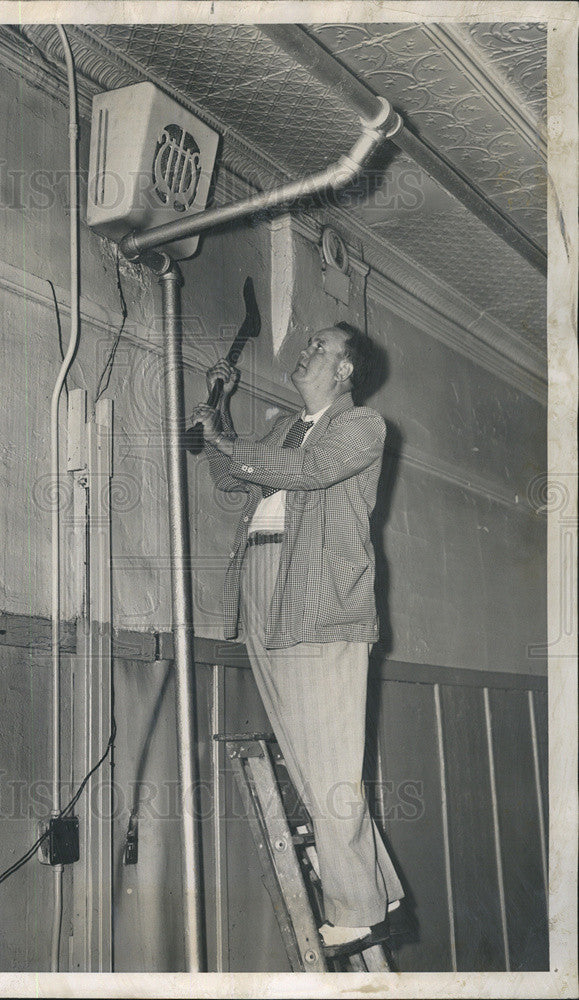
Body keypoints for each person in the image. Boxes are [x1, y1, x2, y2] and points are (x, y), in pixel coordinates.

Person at [191, 321, 404, 956]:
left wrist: (230, 441)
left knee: (330, 760)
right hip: (262, 582)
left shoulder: (361, 425)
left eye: (320, 346)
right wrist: (216, 426)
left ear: (345, 371)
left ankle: (358, 908)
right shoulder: (286, 426)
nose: (305, 349)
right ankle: (377, 889)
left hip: (320, 598)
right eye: (306, 342)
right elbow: (230, 485)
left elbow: (308, 473)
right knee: (305, 752)